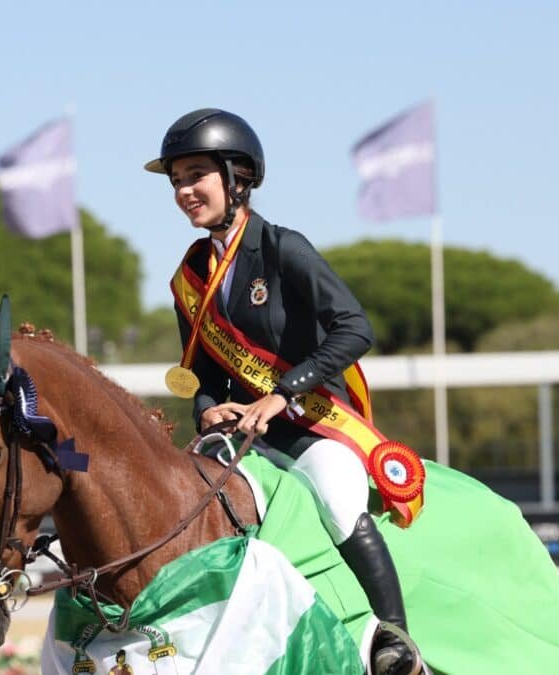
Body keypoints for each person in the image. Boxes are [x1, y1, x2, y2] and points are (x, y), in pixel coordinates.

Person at [147, 108, 420, 675]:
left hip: (312, 419)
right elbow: (198, 369)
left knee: (339, 501)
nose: (184, 192)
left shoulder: (282, 248)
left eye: (195, 175)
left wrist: (284, 392)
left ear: (237, 177)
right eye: (176, 182)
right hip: (239, 430)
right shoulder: (191, 274)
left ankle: (396, 639)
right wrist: (205, 409)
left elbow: (355, 329)